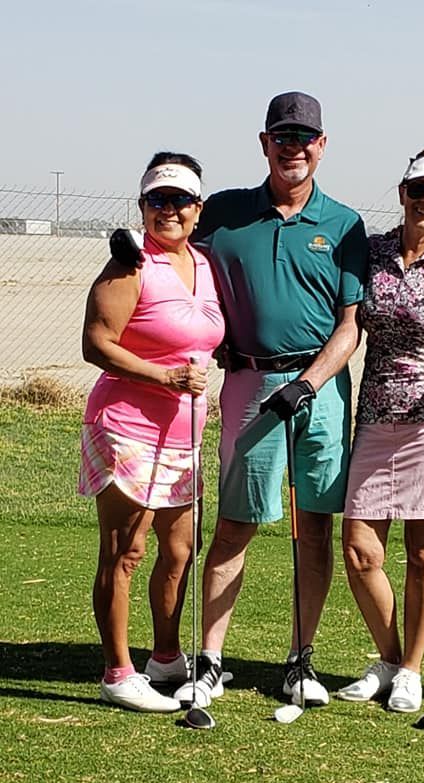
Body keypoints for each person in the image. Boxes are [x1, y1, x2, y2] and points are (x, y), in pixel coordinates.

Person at [162, 92, 368, 709]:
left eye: (304, 138)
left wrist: (309, 383)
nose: (292, 148)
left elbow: (350, 326)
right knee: (235, 525)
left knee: (314, 529)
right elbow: (172, 250)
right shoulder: (225, 213)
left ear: (322, 146)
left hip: (321, 389)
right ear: (264, 143)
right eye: (282, 137)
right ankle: (209, 661)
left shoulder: (344, 224)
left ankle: (300, 659)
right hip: (250, 384)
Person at [338, 144, 424, 713]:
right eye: (418, 189)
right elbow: (349, 323)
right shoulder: (370, 252)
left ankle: (413, 670)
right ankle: (390, 658)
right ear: (402, 192)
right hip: (374, 416)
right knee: (360, 551)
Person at [81, 152, 225, 712]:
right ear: (142, 206)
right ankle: (118, 672)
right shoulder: (130, 265)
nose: (169, 209)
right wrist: (165, 377)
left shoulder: (205, 265)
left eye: (180, 199)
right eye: (157, 199)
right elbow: (96, 344)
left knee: (180, 548)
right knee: (126, 550)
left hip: (184, 436)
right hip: (127, 427)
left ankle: (165, 656)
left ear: (198, 208)